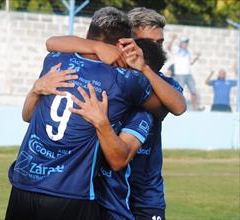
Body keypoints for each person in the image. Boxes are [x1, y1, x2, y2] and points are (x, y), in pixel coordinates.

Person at [5, 7, 164, 220]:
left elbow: (27, 115)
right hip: (70, 191)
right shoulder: (124, 80)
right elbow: (166, 108)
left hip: (24, 183)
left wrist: (35, 89)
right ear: (121, 44)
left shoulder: (55, 61)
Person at [45, 7, 186, 220]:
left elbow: (178, 107)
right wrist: (96, 46)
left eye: (160, 42)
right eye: (149, 43)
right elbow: (52, 42)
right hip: (104, 190)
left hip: (145, 193)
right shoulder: (108, 73)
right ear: (125, 41)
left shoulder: (162, 82)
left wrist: (145, 69)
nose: (157, 49)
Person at [167, 34, 201, 111]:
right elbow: (168, 48)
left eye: (186, 43)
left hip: (188, 74)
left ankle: (195, 108)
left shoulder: (189, 51)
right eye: (184, 42)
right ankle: (175, 107)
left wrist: (197, 57)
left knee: (193, 91)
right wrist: (173, 39)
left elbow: (191, 62)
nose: (185, 44)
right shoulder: (176, 49)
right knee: (179, 91)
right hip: (179, 74)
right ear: (181, 43)